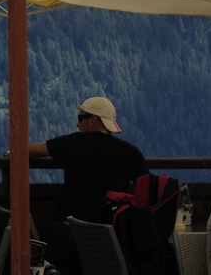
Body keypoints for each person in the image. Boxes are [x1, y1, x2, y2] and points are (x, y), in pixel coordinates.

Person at [25, 96, 148, 275]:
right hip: (109, 235)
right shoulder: (130, 152)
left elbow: (28, 150)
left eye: (81, 118)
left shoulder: (71, 143)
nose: (77, 124)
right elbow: (146, 187)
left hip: (68, 230)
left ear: (93, 120)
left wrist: (8, 154)